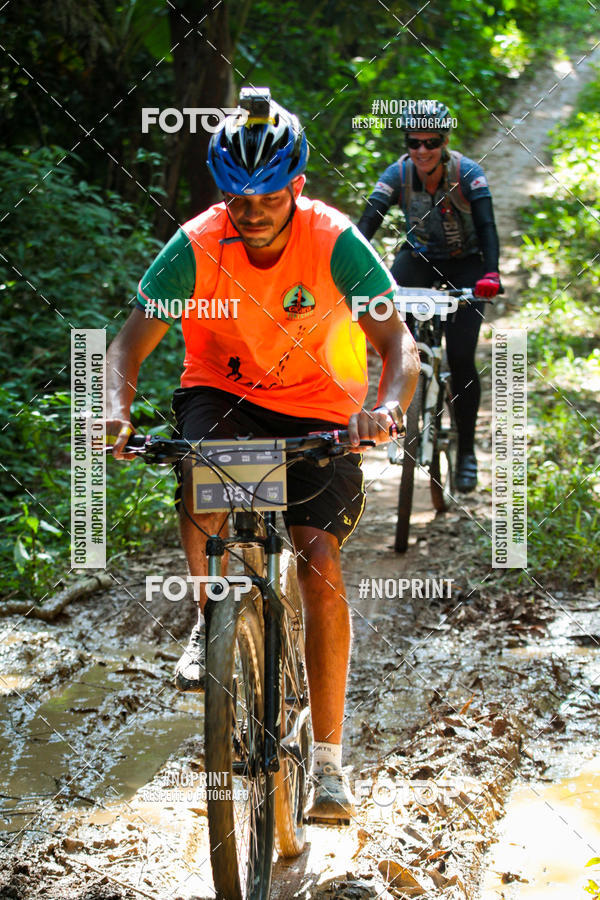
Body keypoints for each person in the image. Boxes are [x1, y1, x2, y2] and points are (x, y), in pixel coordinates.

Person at [106, 87, 420, 823]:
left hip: (321, 407)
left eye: (269, 197)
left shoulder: (336, 240)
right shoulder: (196, 245)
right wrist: (116, 409)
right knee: (199, 466)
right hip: (226, 391)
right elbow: (127, 345)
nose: (251, 212)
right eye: (237, 198)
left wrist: (387, 409)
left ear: (297, 187)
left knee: (320, 559)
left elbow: (397, 344)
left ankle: (331, 764)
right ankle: (209, 616)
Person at [357, 101, 501, 492]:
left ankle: (467, 451)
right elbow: (367, 223)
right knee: (394, 331)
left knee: (459, 354)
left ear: (445, 142)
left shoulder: (468, 174)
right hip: (419, 258)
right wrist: (350, 269)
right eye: (413, 143)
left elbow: (487, 226)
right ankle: (396, 412)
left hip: (468, 263)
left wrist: (491, 272)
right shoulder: (398, 174)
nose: (422, 151)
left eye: (431, 143)